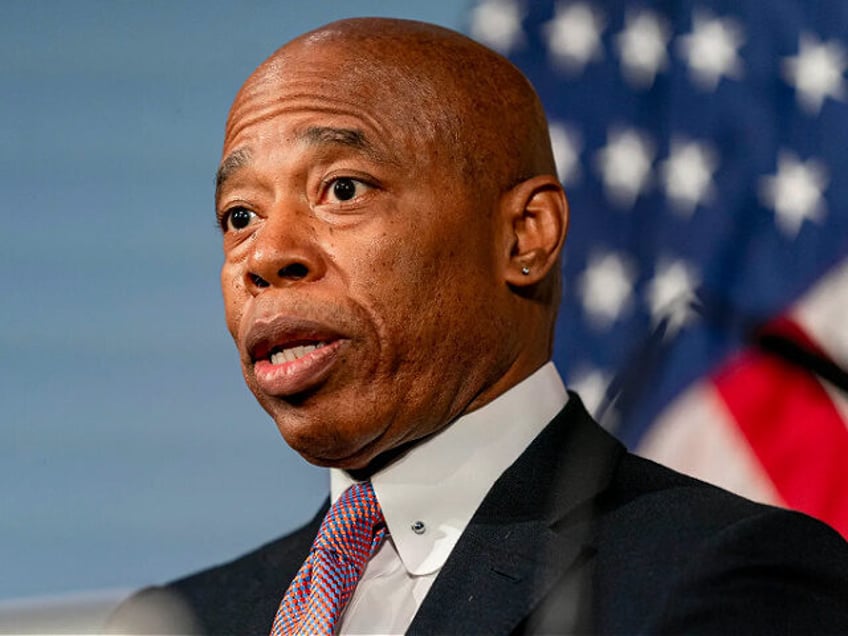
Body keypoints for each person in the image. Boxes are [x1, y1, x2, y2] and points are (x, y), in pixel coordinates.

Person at [108, 17, 848, 635]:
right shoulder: (177, 623)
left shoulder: (724, 579)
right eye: (240, 216)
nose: (266, 257)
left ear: (525, 236)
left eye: (341, 188)